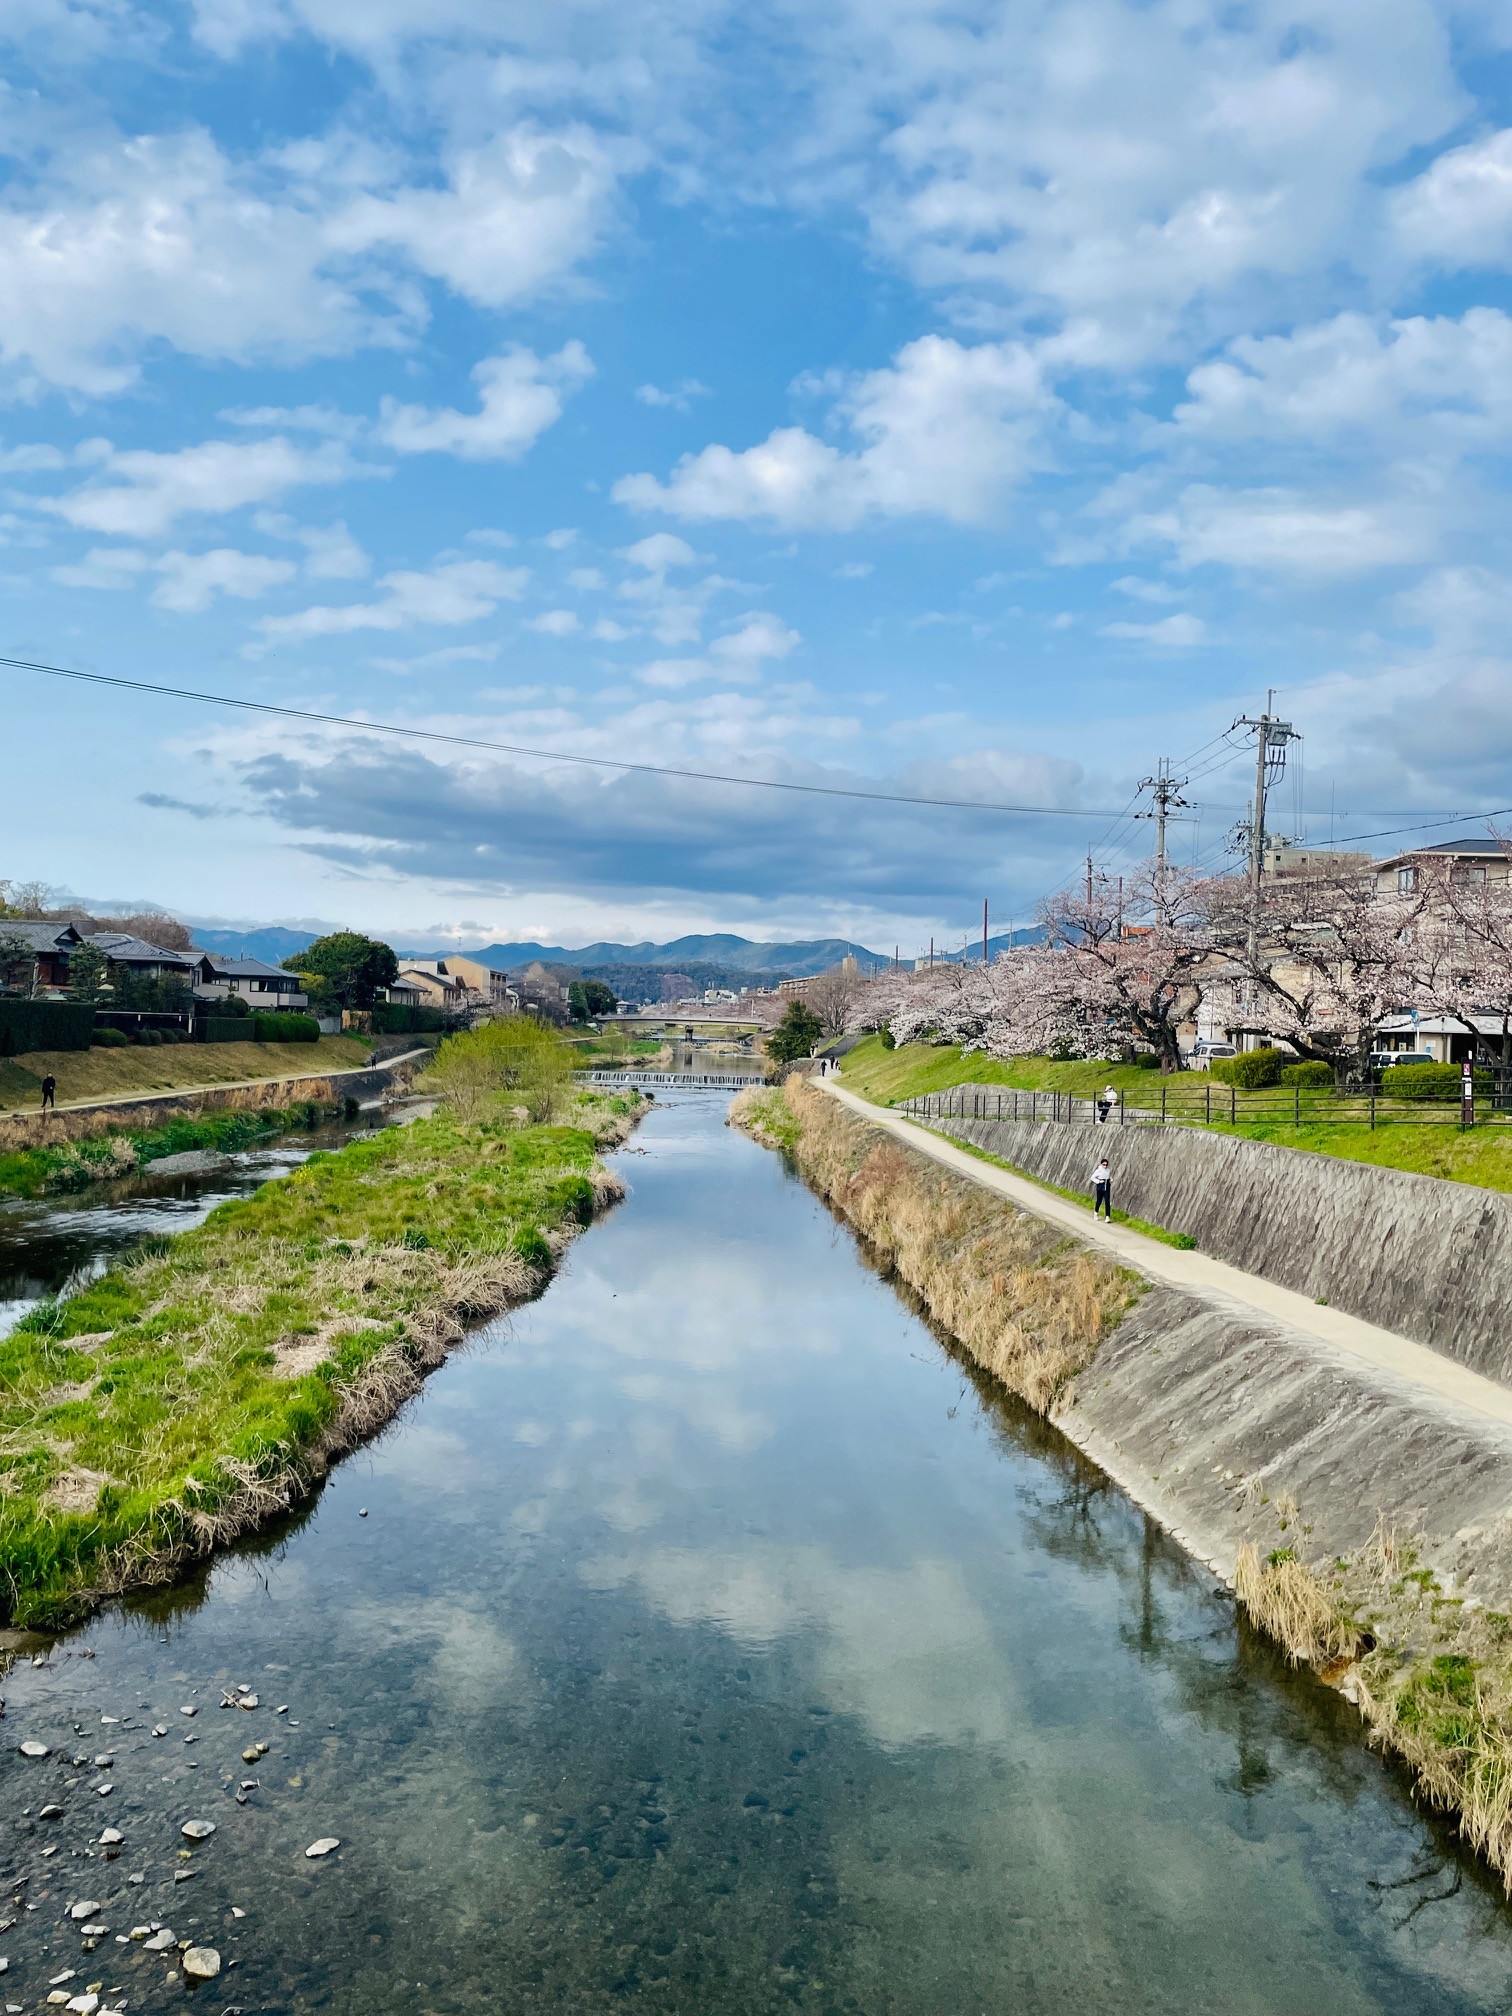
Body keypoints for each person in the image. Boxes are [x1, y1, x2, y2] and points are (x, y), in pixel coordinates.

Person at [1091, 1155, 1112, 1219]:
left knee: (1107, 1202)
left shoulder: (1108, 1170)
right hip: (1100, 1187)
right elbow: (1092, 1178)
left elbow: (1109, 1176)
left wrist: (1111, 1179)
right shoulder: (1098, 1170)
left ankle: (1107, 1216)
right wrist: (1099, 1181)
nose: (1105, 1166)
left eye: (1106, 1165)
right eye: (1104, 1165)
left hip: (1107, 1187)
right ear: (1101, 1164)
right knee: (1099, 1201)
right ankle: (1096, 1213)